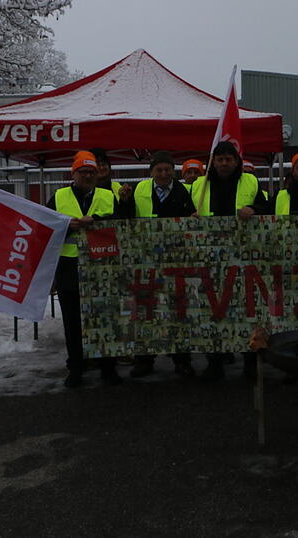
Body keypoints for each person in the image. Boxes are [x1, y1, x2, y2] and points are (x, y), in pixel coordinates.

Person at [191, 141, 270, 382]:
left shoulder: (251, 182)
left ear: (236, 161)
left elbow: (267, 207)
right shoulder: (197, 185)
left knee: (248, 310)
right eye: (220, 159)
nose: (224, 163)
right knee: (212, 311)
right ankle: (214, 363)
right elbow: (186, 211)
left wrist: (254, 209)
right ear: (213, 162)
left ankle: (249, 362)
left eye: (228, 159)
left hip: (244, 257)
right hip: (210, 258)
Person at [118, 150, 198, 379]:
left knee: (177, 312)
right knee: (145, 311)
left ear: (173, 171)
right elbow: (126, 219)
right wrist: (123, 202)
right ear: (151, 171)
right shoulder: (140, 190)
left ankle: (181, 359)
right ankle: (145, 359)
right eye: (159, 170)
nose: (163, 174)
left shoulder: (185, 192)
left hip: (176, 260)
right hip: (146, 261)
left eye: (167, 170)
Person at [46, 150, 121, 388]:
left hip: (102, 266)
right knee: (73, 322)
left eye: (92, 172)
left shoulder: (109, 196)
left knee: (105, 319)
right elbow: (46, 230)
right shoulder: (58, 197)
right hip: (69, 267)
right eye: (83, 172)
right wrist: (70, 226)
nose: (88, 176)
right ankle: (76, 367)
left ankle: (108, 368)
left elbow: (121, 226)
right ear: (73, 173)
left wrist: (96, 222)